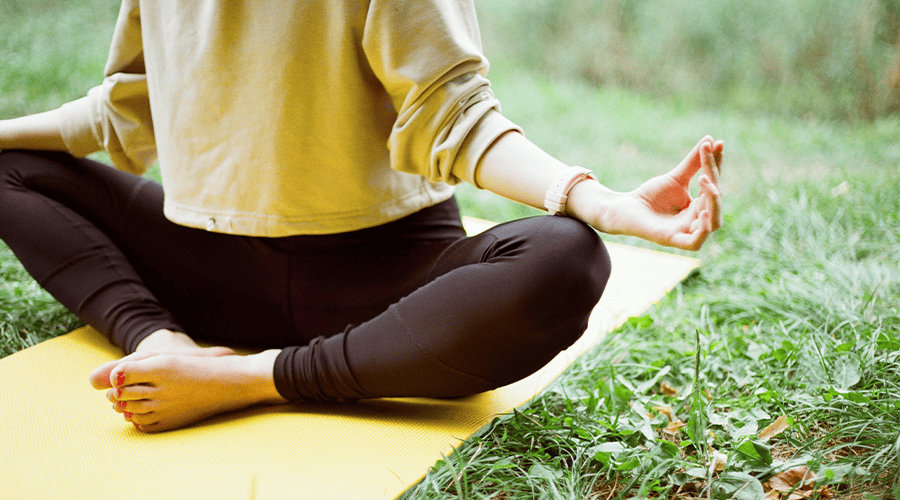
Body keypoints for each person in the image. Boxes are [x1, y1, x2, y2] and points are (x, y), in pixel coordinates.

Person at [0, 0, 723, 433]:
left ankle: (252, 379)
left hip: (386, 286)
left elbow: (458, 117)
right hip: (211, 264)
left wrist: (599, 201)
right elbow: (126, 108)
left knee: (567, 257)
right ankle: (166, 346)